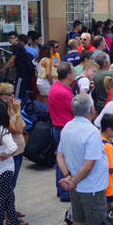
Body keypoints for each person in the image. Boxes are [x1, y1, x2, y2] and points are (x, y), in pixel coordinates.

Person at [57, 93, 109, 225]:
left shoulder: (68, 127)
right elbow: (89, 165)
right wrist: (74, 180)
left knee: (78, 222)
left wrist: (68, 177)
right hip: (92, 187)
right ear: (92, 110)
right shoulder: (92, 132)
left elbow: (60, 156)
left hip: (78, 188)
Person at [48, 63, 76, 202]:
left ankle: (61, 190)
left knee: (61, 160)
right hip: (63, 129)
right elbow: (75, 109)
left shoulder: (58, 86)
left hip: (59, 127)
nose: (75, 73)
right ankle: (64, 192)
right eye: (73, 71)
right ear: (68, 75)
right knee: (64, 162)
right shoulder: (63, 92)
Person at [99, 113, 113, 204]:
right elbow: (111, 168)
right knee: (107, 209)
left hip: (97, 184)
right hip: (107, 185)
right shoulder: (108, 146)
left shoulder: (96, 140)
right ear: (109, 130)